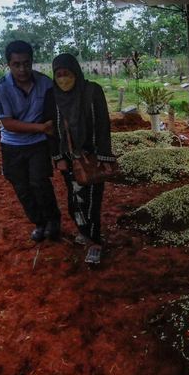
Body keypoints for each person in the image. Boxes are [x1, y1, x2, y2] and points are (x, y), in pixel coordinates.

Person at [44, 53, 116, 264]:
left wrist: (104, 155)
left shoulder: (92, 91)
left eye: (67, 73)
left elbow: (103, 125)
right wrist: (58, 157)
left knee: (91, 200)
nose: (63, 78)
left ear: (75, 72)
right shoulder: (52, 96)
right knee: (74, 200)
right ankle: (85, 232)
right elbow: (50, 129)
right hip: (68, 159)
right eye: (58, 74)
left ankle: (94, 243)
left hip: (92, 157)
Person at [0, 40, 61, 242]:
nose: (22, 69)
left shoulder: (46, 83)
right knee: (22, 187)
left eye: (26, 63)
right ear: (8, 65)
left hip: (38, 143)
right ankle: (39, 223)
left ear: (32, 61)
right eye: (16, 64)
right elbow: (8, 123)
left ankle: (53, 221)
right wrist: (42, 127)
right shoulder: (1, 87)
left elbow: (56, 111)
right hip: (12, 144)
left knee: (39, 183)